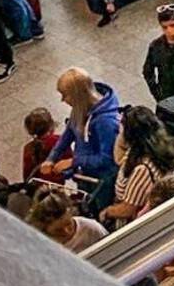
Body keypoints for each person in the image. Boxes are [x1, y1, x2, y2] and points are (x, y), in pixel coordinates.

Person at [38, 68, 123, 210]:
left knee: (99, 208)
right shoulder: (80, 107)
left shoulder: (106, 122)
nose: (62, 100)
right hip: (86, 174)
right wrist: (51, 158)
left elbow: (107, 159)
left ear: (77, 95)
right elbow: (68, 134)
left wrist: (74, 161)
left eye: (65, 95)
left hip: (101, 181)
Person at [99, 105, 174, 226]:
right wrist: (122, 137)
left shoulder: (142, 169)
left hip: (136, 222)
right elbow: (119, 160)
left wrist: (107, 212)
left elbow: (128, 209)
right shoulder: (157, 146)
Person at [27, 189, 108, 254]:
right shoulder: (38, 245)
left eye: (69, 224)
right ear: (44, 226)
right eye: (58, 230)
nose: (66, 231)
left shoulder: (91, 228)